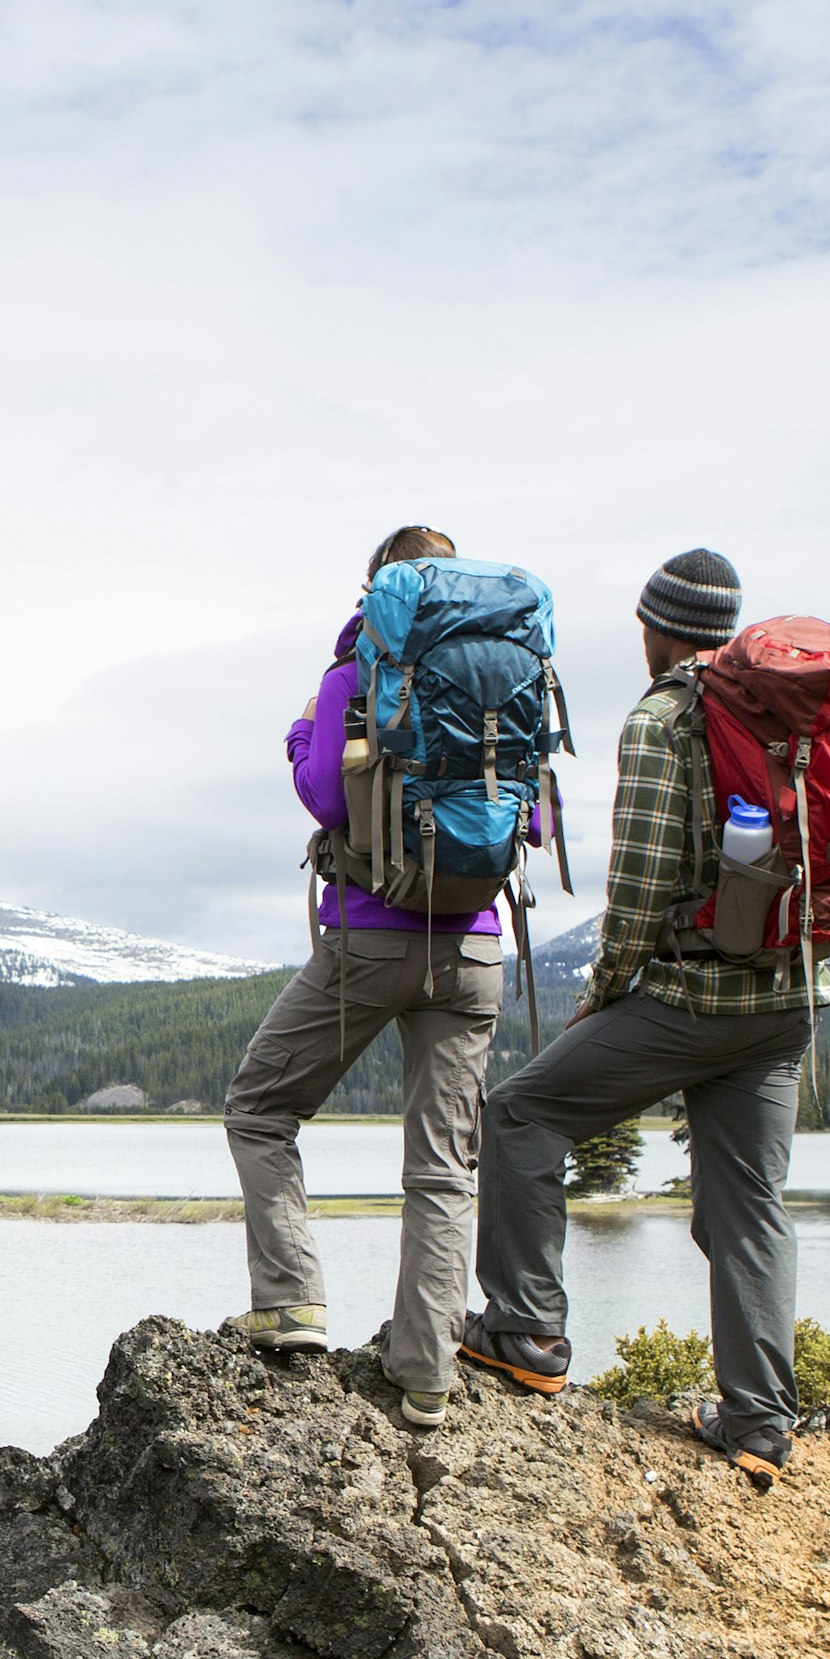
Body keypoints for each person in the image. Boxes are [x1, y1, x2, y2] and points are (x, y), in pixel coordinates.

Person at [456, 547, 830, 1479]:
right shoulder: (792, 714)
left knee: (520, 1114)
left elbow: (639, 884)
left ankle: (526, 1333)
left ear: (654, 627)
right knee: (750, 1209)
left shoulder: (666, 718)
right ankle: (758, 1428)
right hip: (787, 1002)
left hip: (691, 999)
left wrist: (605, 990)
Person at [220, 525, 510, 1428]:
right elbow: (531, 820)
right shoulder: (508, 676)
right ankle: (426, 1375)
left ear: (377, 588)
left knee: (260, 1107)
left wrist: (308, 732)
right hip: (473, 951)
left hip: (370, 938)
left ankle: (293, 1302)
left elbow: (326, 797)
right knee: (444, 1165)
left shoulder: (357, 670)